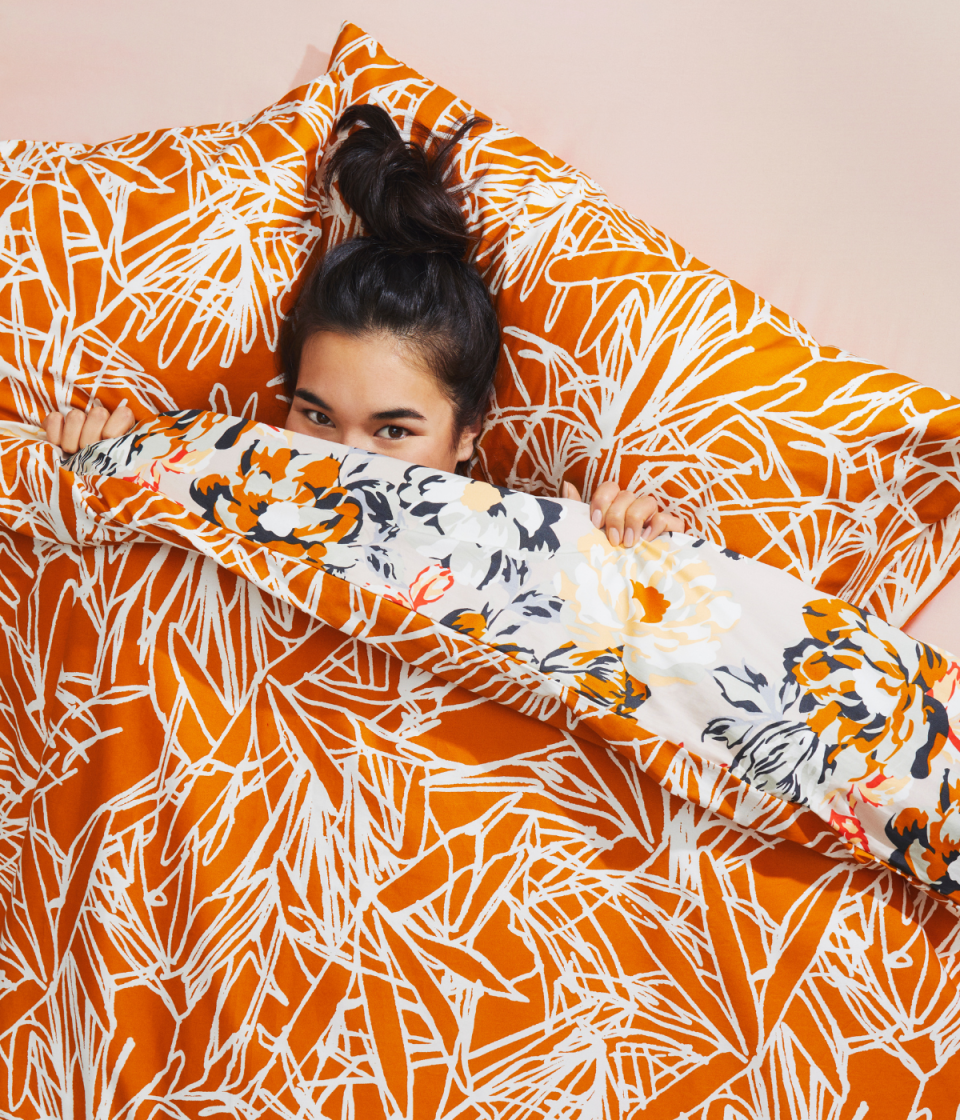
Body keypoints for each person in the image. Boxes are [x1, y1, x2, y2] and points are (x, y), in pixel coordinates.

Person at [42, 105, 682, 548]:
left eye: (394, 429)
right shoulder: (214, 487)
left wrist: (641, 547)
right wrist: (98, 459)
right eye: (316, 416)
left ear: (467, 435)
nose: (339, 461)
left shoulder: (536, 541)